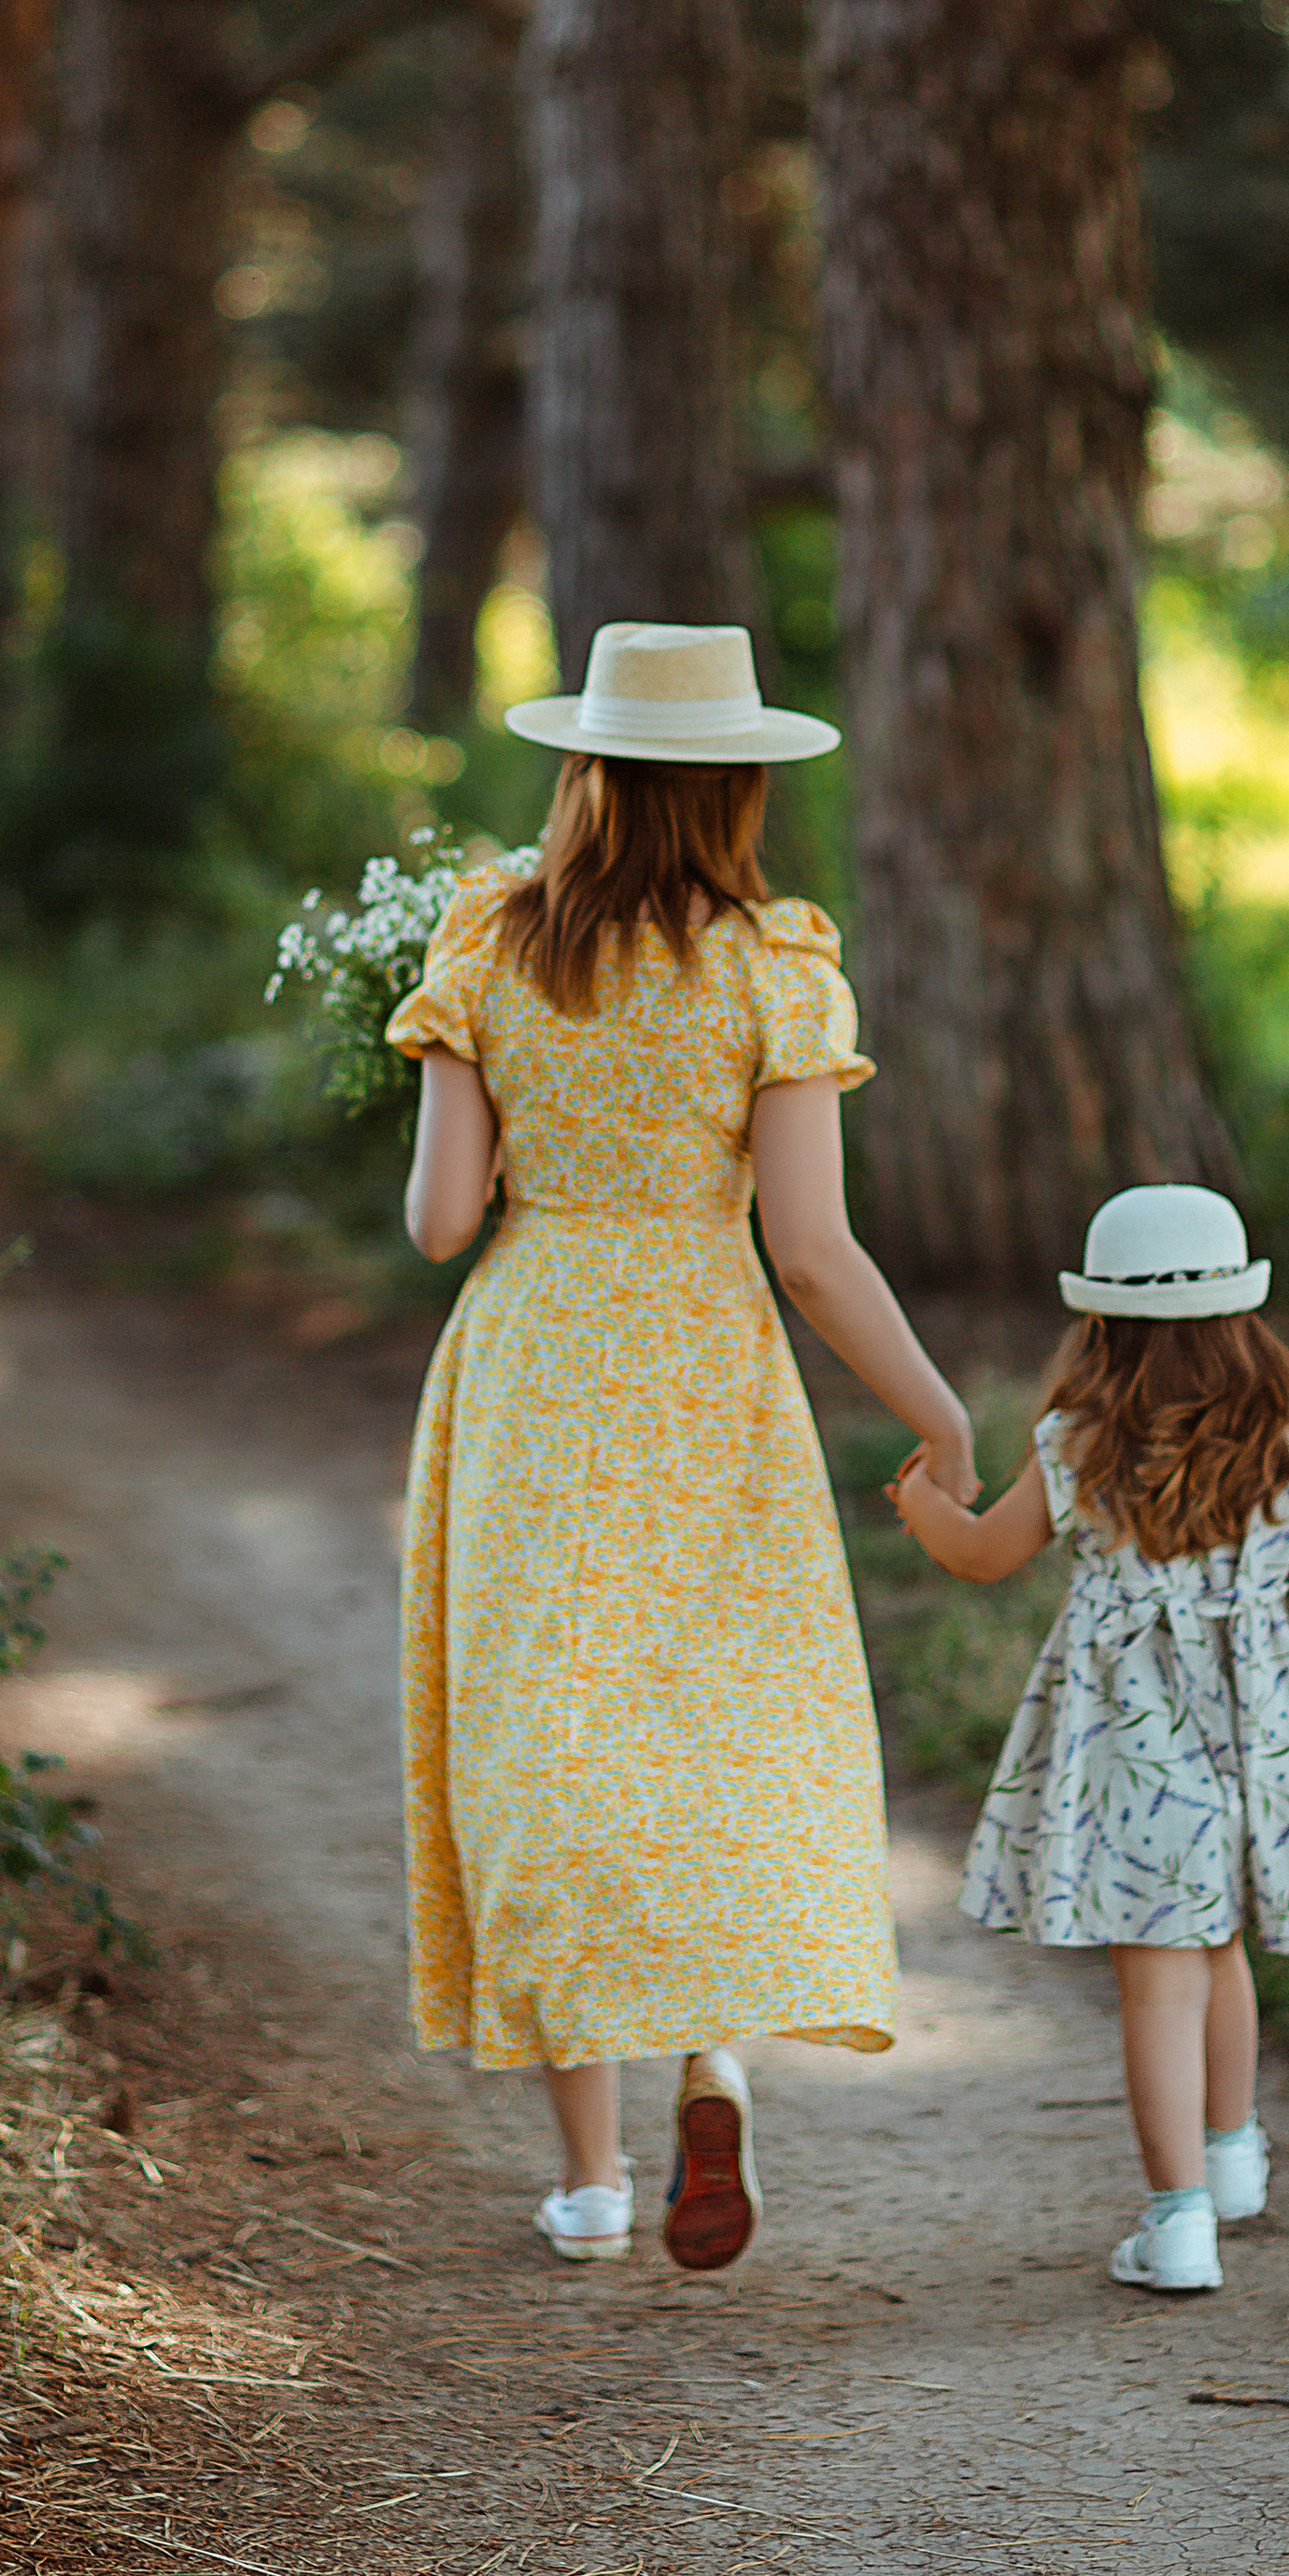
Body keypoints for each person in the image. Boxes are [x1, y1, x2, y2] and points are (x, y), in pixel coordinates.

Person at [386, 619, 977, 2273]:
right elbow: (812, 1252)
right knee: (707, 1722)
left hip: (535, 1371)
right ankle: (709, 2060)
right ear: (734, 780)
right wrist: (933, 1408)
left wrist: (477, 1096)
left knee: (546, 1748)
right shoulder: (773, 963)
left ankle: (585, 2183)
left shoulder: (490, 944)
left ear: (583, 764)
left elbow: (439, 1224)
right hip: (708, 1368)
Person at [888, 1182, 1289, 2297]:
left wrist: (921, 1504)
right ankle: (1232, 2157)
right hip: (1257, 1748)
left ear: (1101, 1323)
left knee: (1157, 1980)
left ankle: (1178, 2223)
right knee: (1221, 1950)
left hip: (1133, 1761)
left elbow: (978, 1554)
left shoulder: (1081, 1446)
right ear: (1243, 1318)